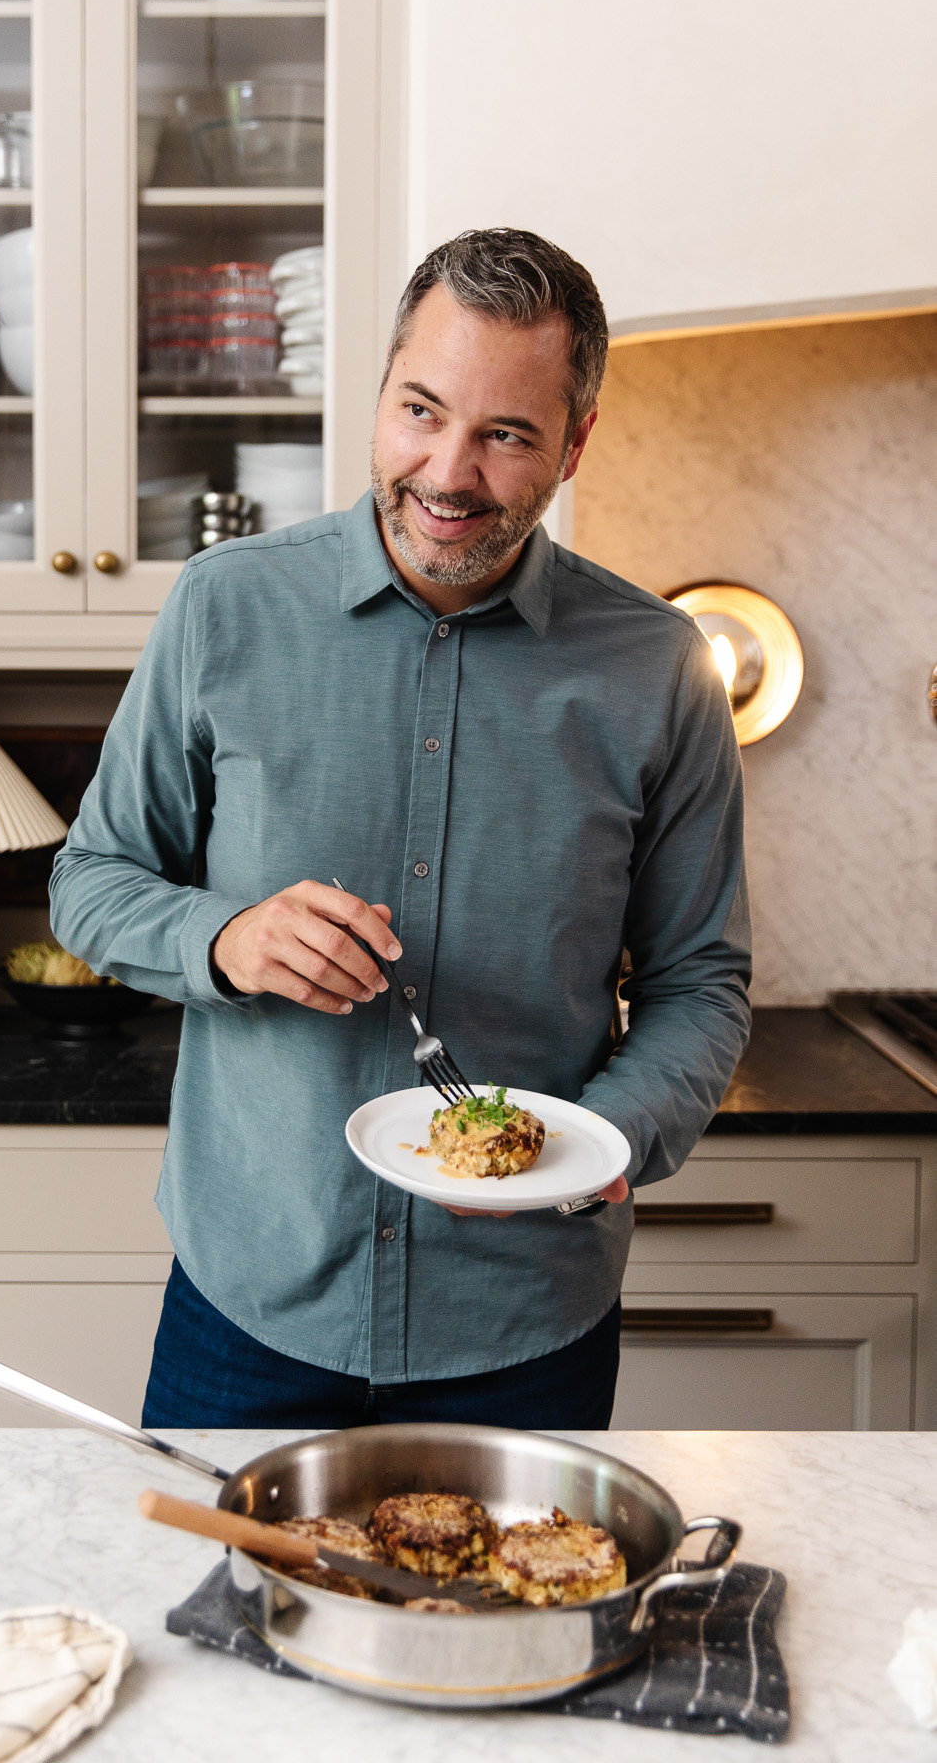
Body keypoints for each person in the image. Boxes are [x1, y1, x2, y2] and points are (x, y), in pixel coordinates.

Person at [50, 227, 750, 1431]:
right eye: (421, 410)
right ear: (379, 393)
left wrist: (590, 1144)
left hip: (524, 1324)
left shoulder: (659, 668)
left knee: (511, 1625)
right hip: (251, 1303)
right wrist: (225, 939)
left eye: (507, 434)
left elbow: (702, 985)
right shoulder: (226, 607)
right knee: (220, 1623)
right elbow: (92, 880)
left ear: (574, 445)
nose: (448, 470)